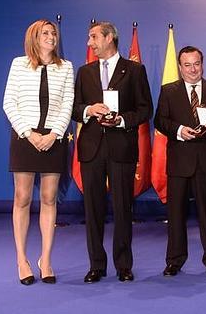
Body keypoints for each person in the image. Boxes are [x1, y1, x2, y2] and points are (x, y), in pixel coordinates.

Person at [72, 21, 153, 283]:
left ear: (109, 38)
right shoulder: (84, 72)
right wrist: (89, 111)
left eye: (93, 37)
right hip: (92, 149)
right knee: (92, 209)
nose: (89, 43)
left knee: (122, 209)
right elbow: (74, 108)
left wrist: (120, 120)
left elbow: (145, 110)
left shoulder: (134, 70)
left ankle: (123, 265)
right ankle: (96, 265)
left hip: (122, 147)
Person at [3, 19, 74, 286]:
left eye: (53, 33)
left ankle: (46, 259)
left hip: (53, 138)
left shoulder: (65, 67)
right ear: (33, 36)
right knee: (22, 197)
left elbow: (68, 102)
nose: (51, 36)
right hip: (25, 136)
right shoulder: (18, 64)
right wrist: (28, 133)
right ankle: (22, 260)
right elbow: (9, 102)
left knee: (48, 197)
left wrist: (54, 134)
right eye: (45, 33)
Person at [154, 46, 206, 278]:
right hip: (179, 160)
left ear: (202, 64)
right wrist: (179, 130)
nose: (192, 69)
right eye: (187, 65)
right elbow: (160, 120)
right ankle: (174, 261)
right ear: (180, 67)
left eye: (196, 63)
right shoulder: (168, 91)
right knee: (176, 214)